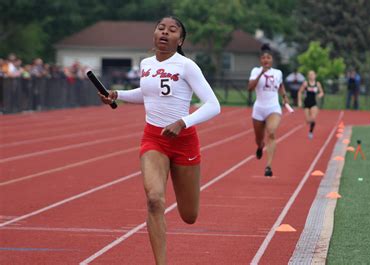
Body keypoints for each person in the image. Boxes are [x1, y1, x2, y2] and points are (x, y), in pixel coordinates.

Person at [98, 16, 220, 265]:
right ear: (154, 34)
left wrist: (183, 122)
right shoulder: (145, 64)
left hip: (184, 141)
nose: (165, 33)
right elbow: (146, 93)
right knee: (154, 200)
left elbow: (214, 105)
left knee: (189, 215)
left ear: (180, 39)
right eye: (161, 28)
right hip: (154, 139)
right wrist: (117, 94)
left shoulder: (187, 66)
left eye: (172, 30)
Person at [248, 43, 289, 177]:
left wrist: (284, 96)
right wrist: (261, 73)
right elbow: (250, 87)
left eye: (269, 58)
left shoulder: (278, 73)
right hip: (259, 109)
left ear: (272, 60)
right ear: (261, 60)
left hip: (273, 108)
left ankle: (268, 166)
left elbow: (280, 85)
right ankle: (260, 146)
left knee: (271, 132)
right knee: (258, 139)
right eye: (264, 58)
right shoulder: (255, 71)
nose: (266, 60)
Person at [297, 70, 324, 139]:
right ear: (308, 76)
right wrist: (299, 101)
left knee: (313, 118)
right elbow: (300, 92)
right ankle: (310, 126)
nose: (311, 76)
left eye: (313, 74)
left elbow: (321, 92)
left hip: (314, 103)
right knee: (308, 120)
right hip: (306, 103)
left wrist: (319, 95)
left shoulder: (317, 84)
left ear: (315, 76)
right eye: (310, 75)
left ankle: (311, 132)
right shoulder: (305, 83)